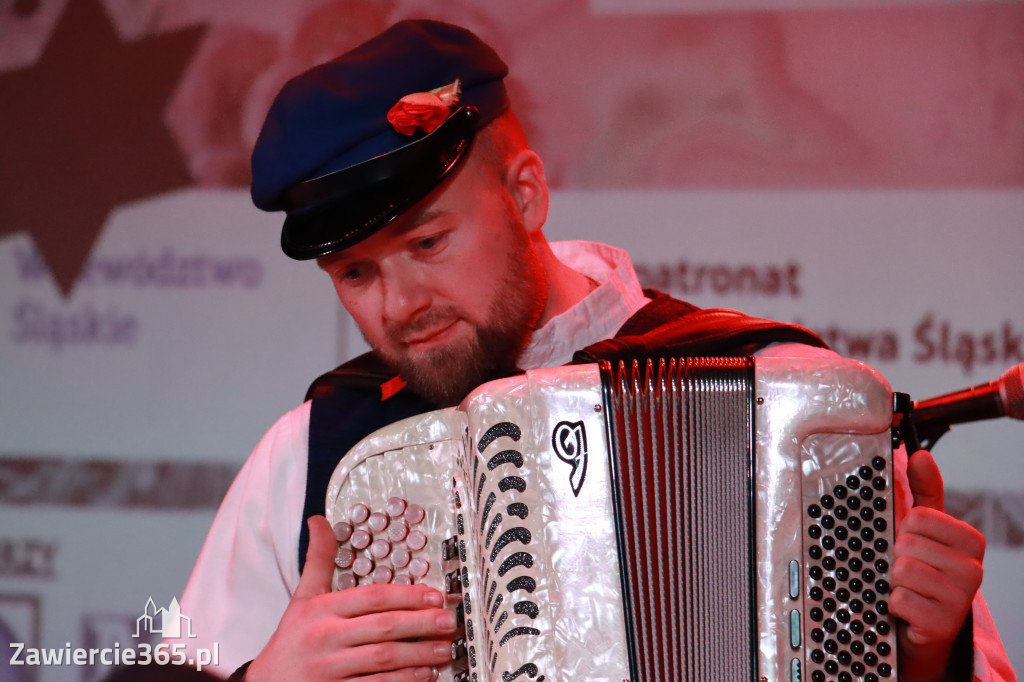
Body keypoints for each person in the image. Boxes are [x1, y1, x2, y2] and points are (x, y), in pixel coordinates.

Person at [177, 19, 1015, 682]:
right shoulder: (315, 455)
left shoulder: (794, 407)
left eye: (428, 244)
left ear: (526, 194)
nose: (399, 307)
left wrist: (931, 662)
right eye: (355, 272)